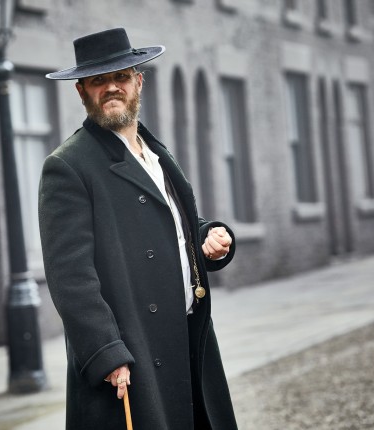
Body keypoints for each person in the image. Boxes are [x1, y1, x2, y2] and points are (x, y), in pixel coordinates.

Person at [39, 27, 238, 430]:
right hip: (133, 353)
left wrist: (207, 235)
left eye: (121, 77)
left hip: (188, 338)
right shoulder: (68, 166)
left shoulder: (154, 152)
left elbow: (170, 225)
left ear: (138, 82)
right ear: (81, 91)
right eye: (98, 80)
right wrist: (107, 352)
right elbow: (70, 277)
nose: (112, 87)